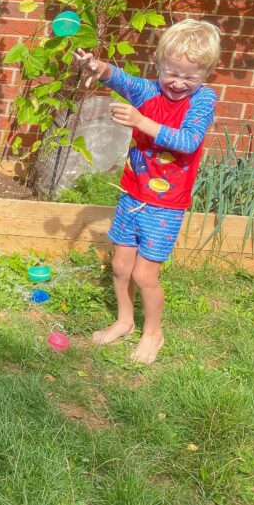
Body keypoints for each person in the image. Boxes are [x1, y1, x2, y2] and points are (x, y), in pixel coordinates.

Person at [74, 19, 221, 364]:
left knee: (144, 274)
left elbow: (188, 141)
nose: (179, 83)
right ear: (158, 63)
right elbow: (121, 79)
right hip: (133, 194)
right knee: (122, 266)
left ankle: (153, 332)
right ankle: (125, 321)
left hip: (166, 205)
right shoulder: (149, 90)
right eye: (172, 72)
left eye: (191, 77)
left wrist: (141, 122)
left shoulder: (202, 100)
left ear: (206, 75)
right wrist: (98, 66)